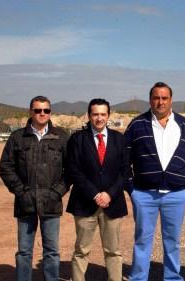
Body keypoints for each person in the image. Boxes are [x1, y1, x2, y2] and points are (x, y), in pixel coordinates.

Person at [125, 82, 185, 281]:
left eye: (164, 98)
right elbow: (123, 158)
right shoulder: (137, 125)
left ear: (171, 100)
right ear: (150, 99)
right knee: (142, 240)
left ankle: (172, 278)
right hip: (144, 194)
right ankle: (138, 278)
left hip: (176, 195)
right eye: (156, 98)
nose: (160, 102)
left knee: (172, 241)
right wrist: (131, 188)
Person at [0, 96, 69, 281]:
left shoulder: (61, 137)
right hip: (25, 203)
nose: (42, 114)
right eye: (38, 110)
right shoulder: (17, 137)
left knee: (52, 251)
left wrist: (57, 192)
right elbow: (6, 167)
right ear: (30, 111)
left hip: (51, 203)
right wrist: (21, 192)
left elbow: (71, 169)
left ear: (50, 112)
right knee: (24, 251)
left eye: (46, 110)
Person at [66, 98, 129, 281]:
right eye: (95, 114)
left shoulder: (119, 139)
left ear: (108, 115)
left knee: (113, 251)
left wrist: (109, 194)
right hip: (85, 203)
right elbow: (73, 170)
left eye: (103, 114)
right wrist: (94, 194)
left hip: (113, 203)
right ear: (89, 115)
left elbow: (125, 171)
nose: (99, 118)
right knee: (81, 250)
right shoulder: (77, 139)